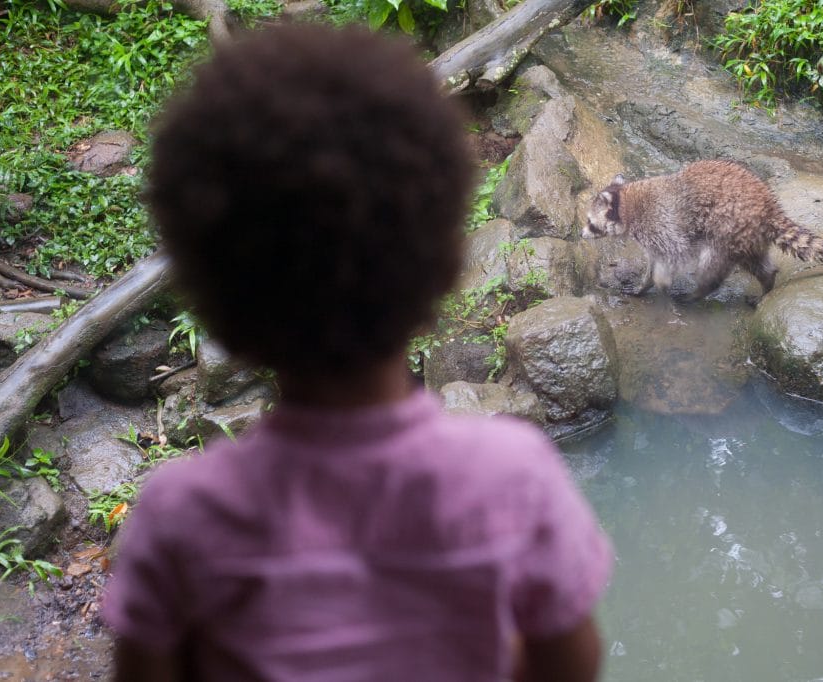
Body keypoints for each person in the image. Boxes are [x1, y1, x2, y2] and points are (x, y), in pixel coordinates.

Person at [101, 21, 613, 682]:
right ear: (447, 264)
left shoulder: (179, 521)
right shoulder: (512, 482)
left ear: (208, 296)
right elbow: (569, 669)